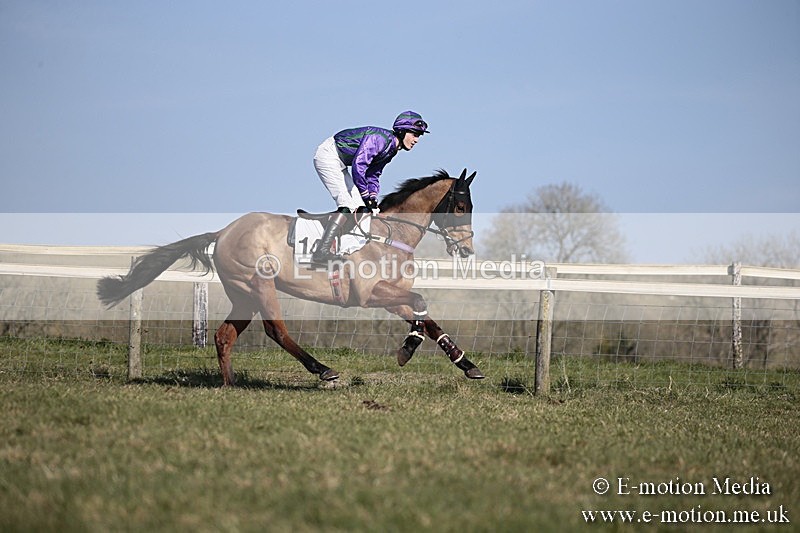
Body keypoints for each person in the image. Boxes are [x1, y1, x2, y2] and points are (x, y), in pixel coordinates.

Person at [310, 110, 430, 266]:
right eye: (414, 134)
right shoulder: (379, 140)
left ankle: (342, 246)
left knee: (361, 208)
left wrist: (372, 197)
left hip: (339, 162)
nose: (416, 140)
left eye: (419, 136)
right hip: (328, 156)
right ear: (402, 130)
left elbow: (373, 174)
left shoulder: (392, 150)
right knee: (347, 205)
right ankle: (322, 251)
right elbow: (359, 166)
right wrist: (366, 195)